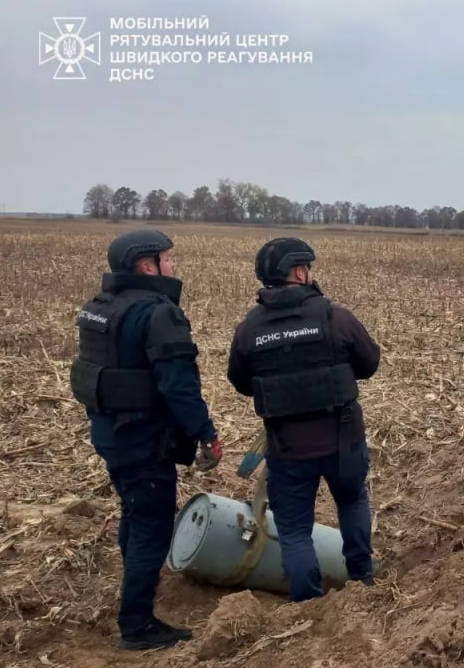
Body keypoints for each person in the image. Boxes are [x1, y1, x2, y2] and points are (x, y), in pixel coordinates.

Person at [69, 229, 223, 651]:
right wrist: (206, 433)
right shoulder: (158, 313)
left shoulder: (99, 308)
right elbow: (179, 386)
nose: (173, 265)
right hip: (144, 439)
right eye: (168, 258)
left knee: (134, 514)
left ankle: (136, 591)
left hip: (110, 434)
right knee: (152, 527)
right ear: (146, 266)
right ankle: (137, 625)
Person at [225, 237, 381, 602]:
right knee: (352, 501)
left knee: (295, 532)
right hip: (343, 440)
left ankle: (307, 605)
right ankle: (363, 583)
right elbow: (369, 363)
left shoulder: (249, 329)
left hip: (287, 448)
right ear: (299, 271)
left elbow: (240, 382)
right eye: (307, 268)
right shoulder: (335, 317)